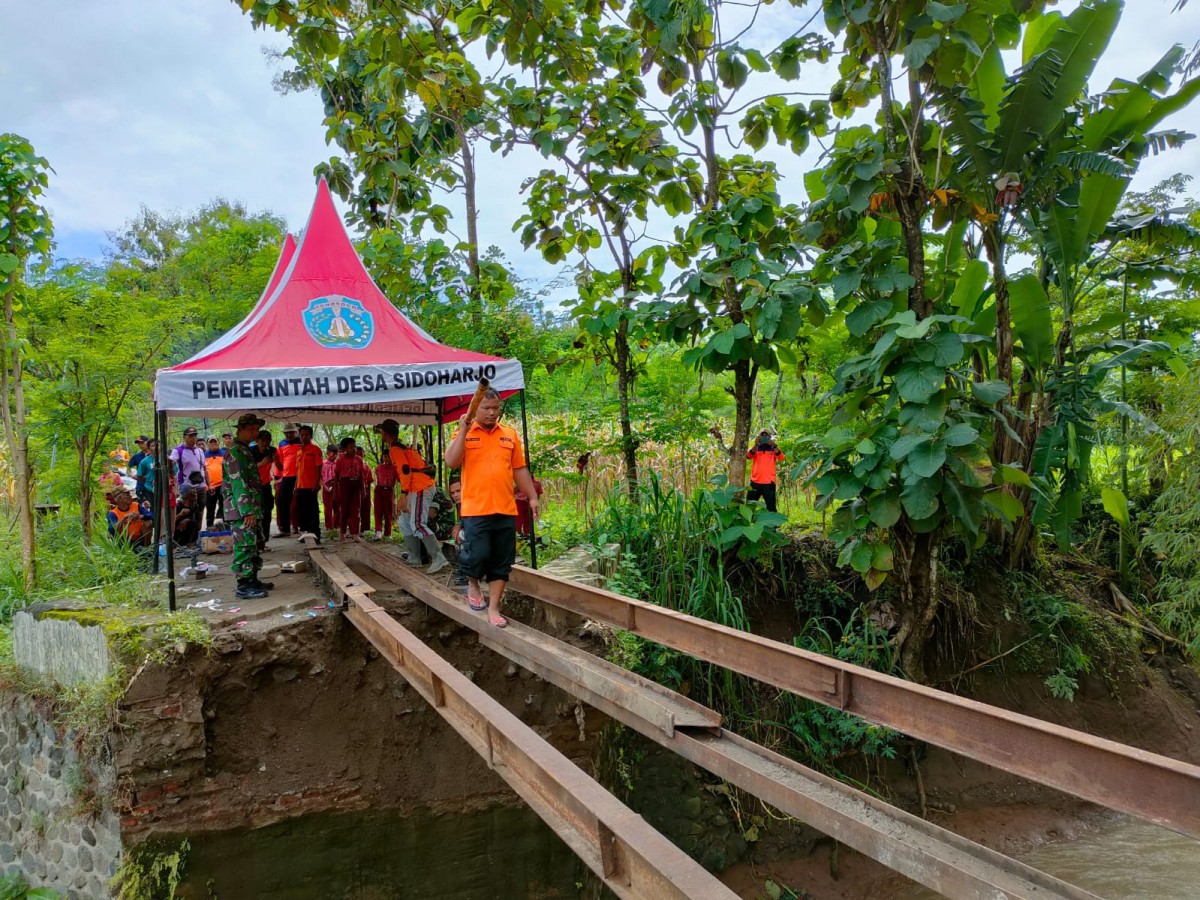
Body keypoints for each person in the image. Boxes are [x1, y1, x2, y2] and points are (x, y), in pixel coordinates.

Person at [445, 390, 540, 627]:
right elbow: (451, 462)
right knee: (478, 554)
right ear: (475, 409)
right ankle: (474, 583)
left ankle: (494, 608)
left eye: (495, 408)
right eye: (486, 408)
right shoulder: (464, 433)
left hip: (505, 508)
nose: (491, 412)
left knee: (502, 561)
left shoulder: (509, 435)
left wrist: (532, 497)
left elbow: (519, 469)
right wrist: (464, 430)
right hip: (476, 509)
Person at [380, 419, 446, 573]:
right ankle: (414, 557)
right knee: (404, 521)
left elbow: (404, 471)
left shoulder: (396, 449)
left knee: (417, 523)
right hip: (413, 488)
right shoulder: (399, 446)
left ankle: (439, 558)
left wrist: (403, 495)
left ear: (384, 433)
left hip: (420, 486)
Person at [224, 412, 271, 599]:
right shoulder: (235, 452)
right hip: (241, 510)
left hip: (252, 508)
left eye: (257, 429)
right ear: (241, 430)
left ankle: (252, 578)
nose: (255, 433)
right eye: (251, 429)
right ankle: (243, 585)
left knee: (254, 544)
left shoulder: (245, 450)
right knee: (244, 546)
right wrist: (246, 511)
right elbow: (238, 483)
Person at [293, 425, 324, 541]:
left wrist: (316, 483)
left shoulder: (315, 450)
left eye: (306, 435)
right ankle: (305, 534)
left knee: (313, 511)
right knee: (302, 511)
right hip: (300, 486)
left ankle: (316, 535)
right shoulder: (299, 451)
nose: (304, 437)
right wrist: (295, 485)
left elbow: (319, 467)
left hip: (311, 486)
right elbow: (298, 470)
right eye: (302, 435)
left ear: (311, 436)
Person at [334, 437, 367, 541]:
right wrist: (335, 491)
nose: (354, 449)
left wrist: (363, 489)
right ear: (345, 449)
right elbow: (336, 476)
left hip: (356, 483)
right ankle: (342, 532)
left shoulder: (359, 459)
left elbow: (361, 474)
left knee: (356, 510)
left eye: (355, 447)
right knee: (344, 509)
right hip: (345, 483)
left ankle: (355, 533)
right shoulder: (340, 460)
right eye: (350, 447)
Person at [746, 429, 785, 513]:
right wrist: (756, 445)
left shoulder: (773, 449)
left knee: (771, 507)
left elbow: (781, 458)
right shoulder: (755, 448)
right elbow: (748, 456)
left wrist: (774, 446)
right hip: (755, 482)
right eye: (762, 436)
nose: (764, 437)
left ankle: (773, 525)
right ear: (759, 437)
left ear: (769, 437)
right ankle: (749, 524)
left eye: (766, 436)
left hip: (769, 483)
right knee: (749, 506)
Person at [273, 423, 300, 536]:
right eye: (287, 432)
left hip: (300, 476)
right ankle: (285, 529)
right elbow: (280, 464)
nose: (289, 434)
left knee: (300, 503)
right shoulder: (281, 444)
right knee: (282, 501)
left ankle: (302, 527)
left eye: (291, 432)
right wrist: (275, 461)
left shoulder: (302, 442)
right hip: (287, 476)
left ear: (296, 432)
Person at [255, 433, 276, 550]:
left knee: (267, 513)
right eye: (262, 440)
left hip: (266, 485)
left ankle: (264, 540)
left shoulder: (272, 451)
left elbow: (280, 467)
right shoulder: (251, 451)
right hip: (254, 487)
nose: (265, 443)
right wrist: (261, 463)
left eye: (267, 440)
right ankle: (256, 541)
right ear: (257, 440)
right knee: (256, 515)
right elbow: (248, 467)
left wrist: (276, 461)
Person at [170, 427, 208, 492]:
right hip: (186, 486)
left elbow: (204, 468)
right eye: (190, 435)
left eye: (195, 435)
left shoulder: (199, 451)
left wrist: (209, 485)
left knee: (203, 502)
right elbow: (170, 464)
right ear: (184, 437)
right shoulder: (178, 450)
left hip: (201, 485)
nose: (193, 437)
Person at [373, 450, 397, 539]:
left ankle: (388, 532)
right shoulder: (378, 468)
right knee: (378, 511)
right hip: (379, 489)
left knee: (388, 511)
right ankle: (378, 531)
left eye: (389, 456)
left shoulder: (395, 468)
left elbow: (399, 479)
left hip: (389, 490)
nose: (387, 458)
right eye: (385, 456)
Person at [203, 437, 226, 530]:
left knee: (224, 506)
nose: (213, 444)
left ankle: (226, 525)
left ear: (218, 442)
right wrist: (207, 485)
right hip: (210, 485)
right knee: (210, 507)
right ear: (208, 444)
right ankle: (209, 526)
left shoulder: (224, 453)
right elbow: (203, 470)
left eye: (215, 442)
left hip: (223, 484)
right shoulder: (204, 455)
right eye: (211, 442)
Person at [321, 444, 338, 530]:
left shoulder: (338, 463)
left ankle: (336, 524)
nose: (334, 456)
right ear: (327, 453)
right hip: (326, 485)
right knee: (328, 507)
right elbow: (319, 477)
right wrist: (325, 486)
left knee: (337, 506)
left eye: (336, 454)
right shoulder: (323, 464)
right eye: (332, 453)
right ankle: (329, 526)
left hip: (337, 485)